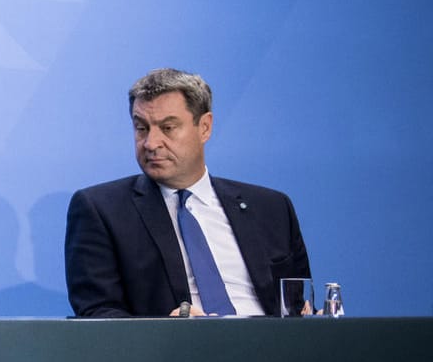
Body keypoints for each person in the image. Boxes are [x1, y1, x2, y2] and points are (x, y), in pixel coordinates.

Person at [64, 68, 308, 318]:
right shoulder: (102, 210)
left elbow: (299, 306)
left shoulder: (272, 208)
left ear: (205, 127)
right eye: (141, 128)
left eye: (168, 128)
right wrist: (169, 334)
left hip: (273, 348)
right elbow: (98, 313)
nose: (151, 143)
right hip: (174, 353)